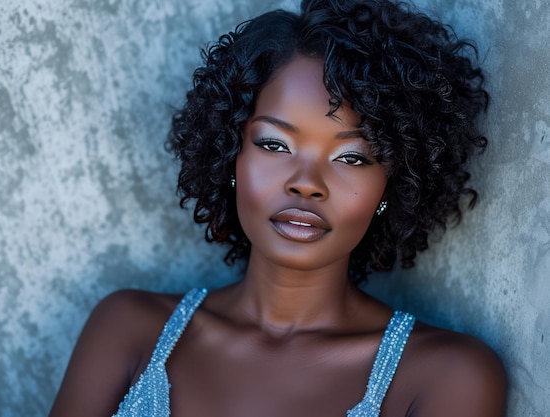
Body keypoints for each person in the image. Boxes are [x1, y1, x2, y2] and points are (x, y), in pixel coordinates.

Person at [49, 0, 507, 416]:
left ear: (393, 185)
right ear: (231, 154)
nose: (306, 184)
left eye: (352, 157)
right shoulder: (128, 329)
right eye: (274, 144)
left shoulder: (445, 376)